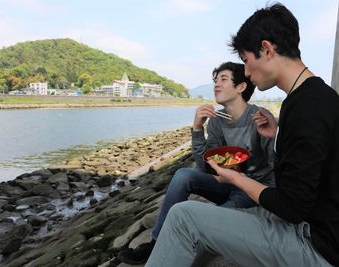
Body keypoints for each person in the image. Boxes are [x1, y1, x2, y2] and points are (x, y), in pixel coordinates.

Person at [145, 3, 339, 267]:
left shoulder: (308, 105)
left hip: (314, 244)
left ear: (267, 50)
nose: (245, 71)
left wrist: (236, 178)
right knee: (198, 219)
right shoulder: (310, 97)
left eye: (246, 61)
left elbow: (292, 206)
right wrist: (276, 134)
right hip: (314, 228)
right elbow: (306, 171)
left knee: (183, 217)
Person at [117, 62, 275, 264]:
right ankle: (156, 243)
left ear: (241, 87)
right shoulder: (217, 120)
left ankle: (178, 249)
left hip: (250, 192)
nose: (216, 85)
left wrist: (273, 137)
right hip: (226, 183)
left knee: (206, 222)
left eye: (223, 79)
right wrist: (198, 128)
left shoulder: (259, 118)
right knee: (183, 175)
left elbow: (274, 162)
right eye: (215, 80)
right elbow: (205, 166)